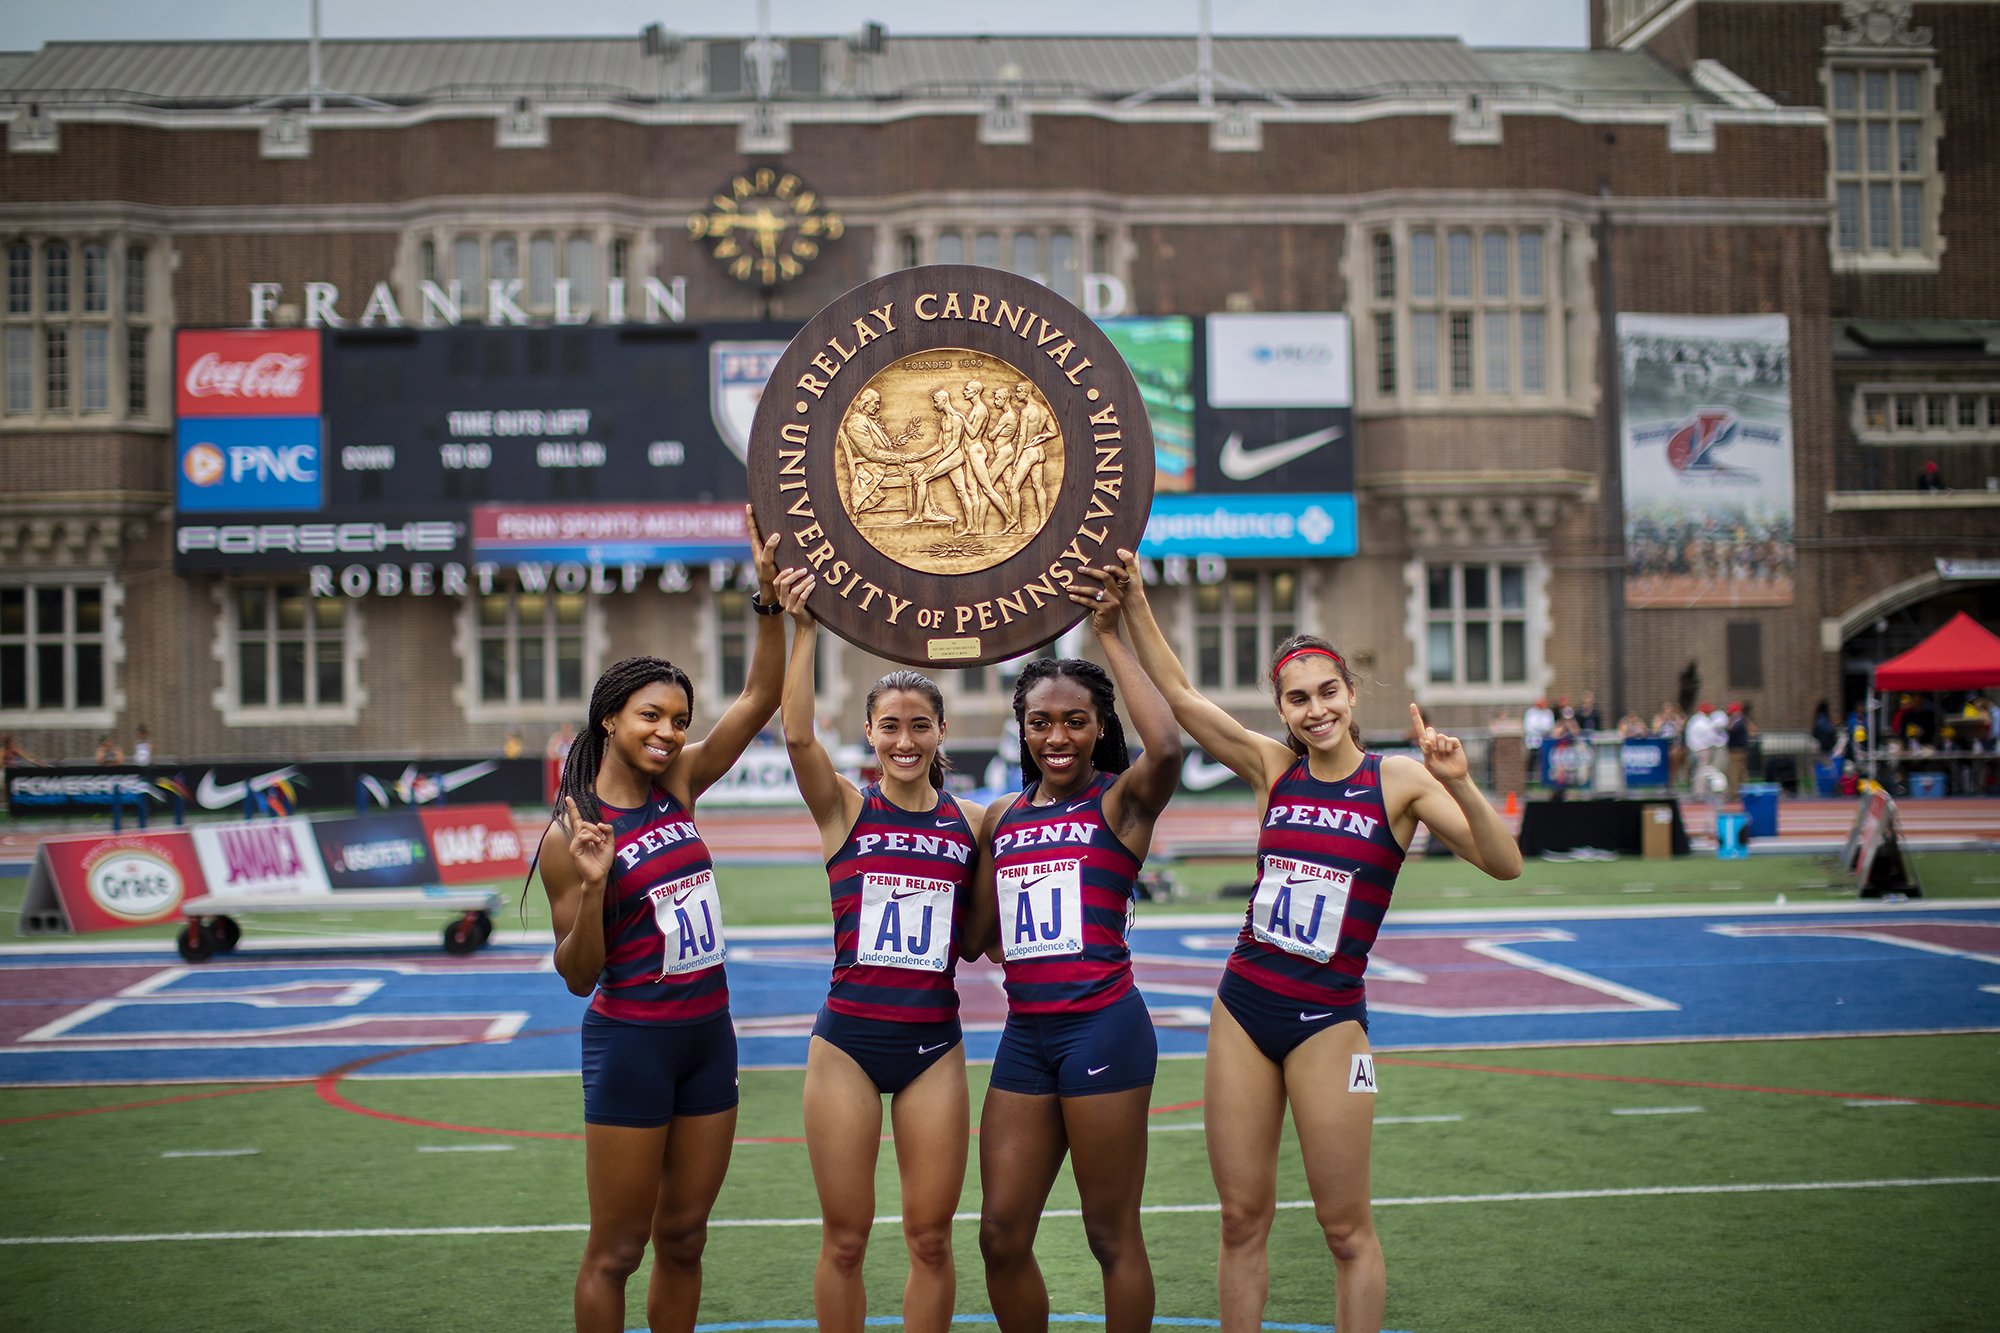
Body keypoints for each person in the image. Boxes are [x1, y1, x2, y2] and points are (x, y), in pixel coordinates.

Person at [1111, 546, 1521, 1333]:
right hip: (1243, 1007)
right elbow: (1182, 695)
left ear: (1350, 692)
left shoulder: (1397, 781)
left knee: (1344, 1227)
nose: (1315, 709)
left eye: (1327, 691)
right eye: (1297, 698)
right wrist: (1133, 603)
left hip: (1332, 1025)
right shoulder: (1275, 769)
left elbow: (1503, 864)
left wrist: (1461, 780)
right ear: (1283, 709)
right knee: (1240, 1218)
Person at [535, 506, 785, 1333]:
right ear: (610, 717)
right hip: (632, 1041)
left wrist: (769, 599)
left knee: (684, 1237)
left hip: (708, 1035)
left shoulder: (678, 787)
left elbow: (759, 697)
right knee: (617, 1248)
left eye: (678, 718)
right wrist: (600, 884)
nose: (670, 732)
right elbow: (577, 975)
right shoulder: (570, 835)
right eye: (652, 716)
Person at [969, 560, 1181, 1333]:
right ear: (1021, 729)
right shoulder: (1001, 817)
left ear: (1099, 727)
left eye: (1075, 720)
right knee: (999, 1235)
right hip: (1025, 1036)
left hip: (1103, 1028)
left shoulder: (1119, 801)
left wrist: (1111, 632)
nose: (1056, 735)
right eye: (1040, 721)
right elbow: (976, 943)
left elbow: (1168, 749)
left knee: (1109, 1233)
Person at [774, 565, 986, 1333]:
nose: (904, 739)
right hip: (848, 1046)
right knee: (846, 1238)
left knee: (931, 1238)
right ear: (869, 732)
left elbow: (978, 937)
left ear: (941, 733)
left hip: (934, 1046)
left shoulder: (972, 826)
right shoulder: (845, 811)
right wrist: (805, 629)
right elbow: (796, 734)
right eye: (889, 725)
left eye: (919, 724)